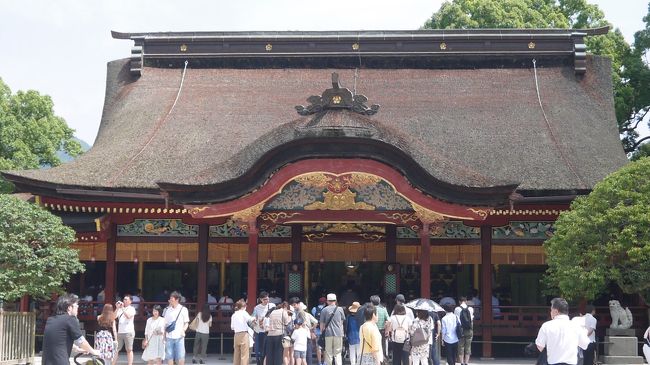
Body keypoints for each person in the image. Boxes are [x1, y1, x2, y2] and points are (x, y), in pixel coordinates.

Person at [42, 293, 100, 365]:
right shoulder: (70, 319)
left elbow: (58, 340)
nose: (78, 307)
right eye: (76, 305)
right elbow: (81, 341)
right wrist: (93, 351)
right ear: (69, 307)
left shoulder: (51, 320)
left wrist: (77, 349)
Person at [536, 298, 590, 365]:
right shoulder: (576, 326)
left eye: (551, 310)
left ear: (556, 311)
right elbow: (585, 344)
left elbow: (540, 345)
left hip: (553, 362)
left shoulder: (546, 326)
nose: (550, 312)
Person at [164, 290, 190, 365]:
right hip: (169, 336)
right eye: (170, 299)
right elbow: (165, 324)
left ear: (177, 300)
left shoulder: (183, 309)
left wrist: (183, 330)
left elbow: (186, 323)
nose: (170, 301)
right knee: (169, 356)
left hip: (179, 336)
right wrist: (164, 335)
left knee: (181, 356)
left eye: (172, 299)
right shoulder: (168, 310)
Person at [320, 293, 346, 365]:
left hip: (328, 333)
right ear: (335, 300)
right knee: (338, 353)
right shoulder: (340, 309)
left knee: (328, 353)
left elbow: (322, 324)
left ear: (327, 301)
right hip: (338, 333)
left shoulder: (324, 310)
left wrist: (322, 332)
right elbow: (341, 322)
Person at [253, 291, 276, 365]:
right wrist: (257, 322)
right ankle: (259, 362)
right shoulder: (257, 308)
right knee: (259, 350)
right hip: (260, 331)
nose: (267, 301)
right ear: (261, 299)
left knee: (268, 349)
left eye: (267, 299)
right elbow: (253, 317)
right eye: (265, 299)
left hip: (269, 331)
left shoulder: (272, 305)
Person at [231, 299, 254, 365]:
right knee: (244, 355)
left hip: (236, 335)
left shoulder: (234, 315)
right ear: (243, 307)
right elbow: (250, 319)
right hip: (244, 334)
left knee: (236, 354)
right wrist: (254, 318)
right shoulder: (243, 312)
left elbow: (232, 327)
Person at [115, 294, 137, 365]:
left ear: (130, 301)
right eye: (124, 299)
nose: (124, 301)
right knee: (116, 349)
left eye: (126, 299)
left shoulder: (132, 309)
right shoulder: (120, 309)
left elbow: (128, 316)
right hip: (120, 332)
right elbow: (114, 317)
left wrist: (122, 308)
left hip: (128, 331)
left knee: (129, 350)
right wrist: (117, 308)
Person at [454, 296, 474, 365]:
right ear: (466, 301)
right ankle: (466, 362)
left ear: (459, 302)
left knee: (461, 346)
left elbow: (456, 319)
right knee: (468, 346)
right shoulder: (471, 309)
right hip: (469, 329)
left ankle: (461, 362)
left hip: (461, 329)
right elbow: (472, 319)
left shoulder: (457, 309)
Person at [369, 296, 389, 360]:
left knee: (372, 346)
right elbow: (389, 320)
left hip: (372, 331)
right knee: (381, 347)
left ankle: (374, 360)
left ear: (371, 302)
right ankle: (381, 360)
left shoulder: (370, 310)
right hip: (382, 330)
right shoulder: (383, 309)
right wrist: (387, 330)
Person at [311, 297, 327, 365]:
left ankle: (319, 362)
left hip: (317, 330)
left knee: (318, 347)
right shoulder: (326, 309)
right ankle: (325, 362)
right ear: (325, 302)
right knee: (325, 347)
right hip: (324, 330)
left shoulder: (314, 309)